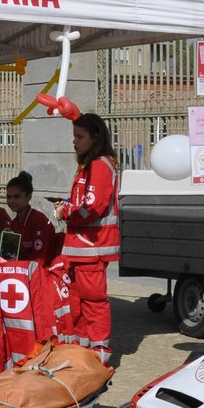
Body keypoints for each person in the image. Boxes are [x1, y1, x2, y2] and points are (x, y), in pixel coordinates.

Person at [55, 113, 120, 364]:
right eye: (74, 136)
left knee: (93, 300)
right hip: (80, 247)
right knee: (77, 300)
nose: (74, 142)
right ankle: (82, 347)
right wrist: (69, 206)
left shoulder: (100, 165)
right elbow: (84, 203)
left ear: (96, 137)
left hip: (93, 246)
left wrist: (66, 211)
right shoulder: (88, 165)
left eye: (79, 137)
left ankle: (100, 349)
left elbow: (92, 207)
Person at [4, 170, 56, 262]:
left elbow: (39, 261)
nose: (11, 201)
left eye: (16, 197)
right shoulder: (14, 224)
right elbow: (10, 258)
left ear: (29, 196)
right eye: (9, 197)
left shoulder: (40, 221)